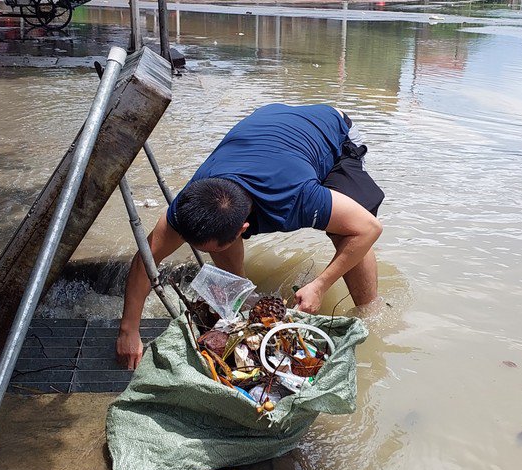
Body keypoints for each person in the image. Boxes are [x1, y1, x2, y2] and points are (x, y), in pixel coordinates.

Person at [117, 103, 385, 369]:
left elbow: (368, 229)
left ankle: (370, 310)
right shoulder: (190, 203)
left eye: (215, 247)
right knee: (223, 250)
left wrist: (320, 285)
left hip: (333, 133)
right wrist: (129, 329)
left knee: (345, 232)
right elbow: (146, 259)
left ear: (244, 229)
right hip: (271, 129)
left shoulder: (296, 197)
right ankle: (242, 293)